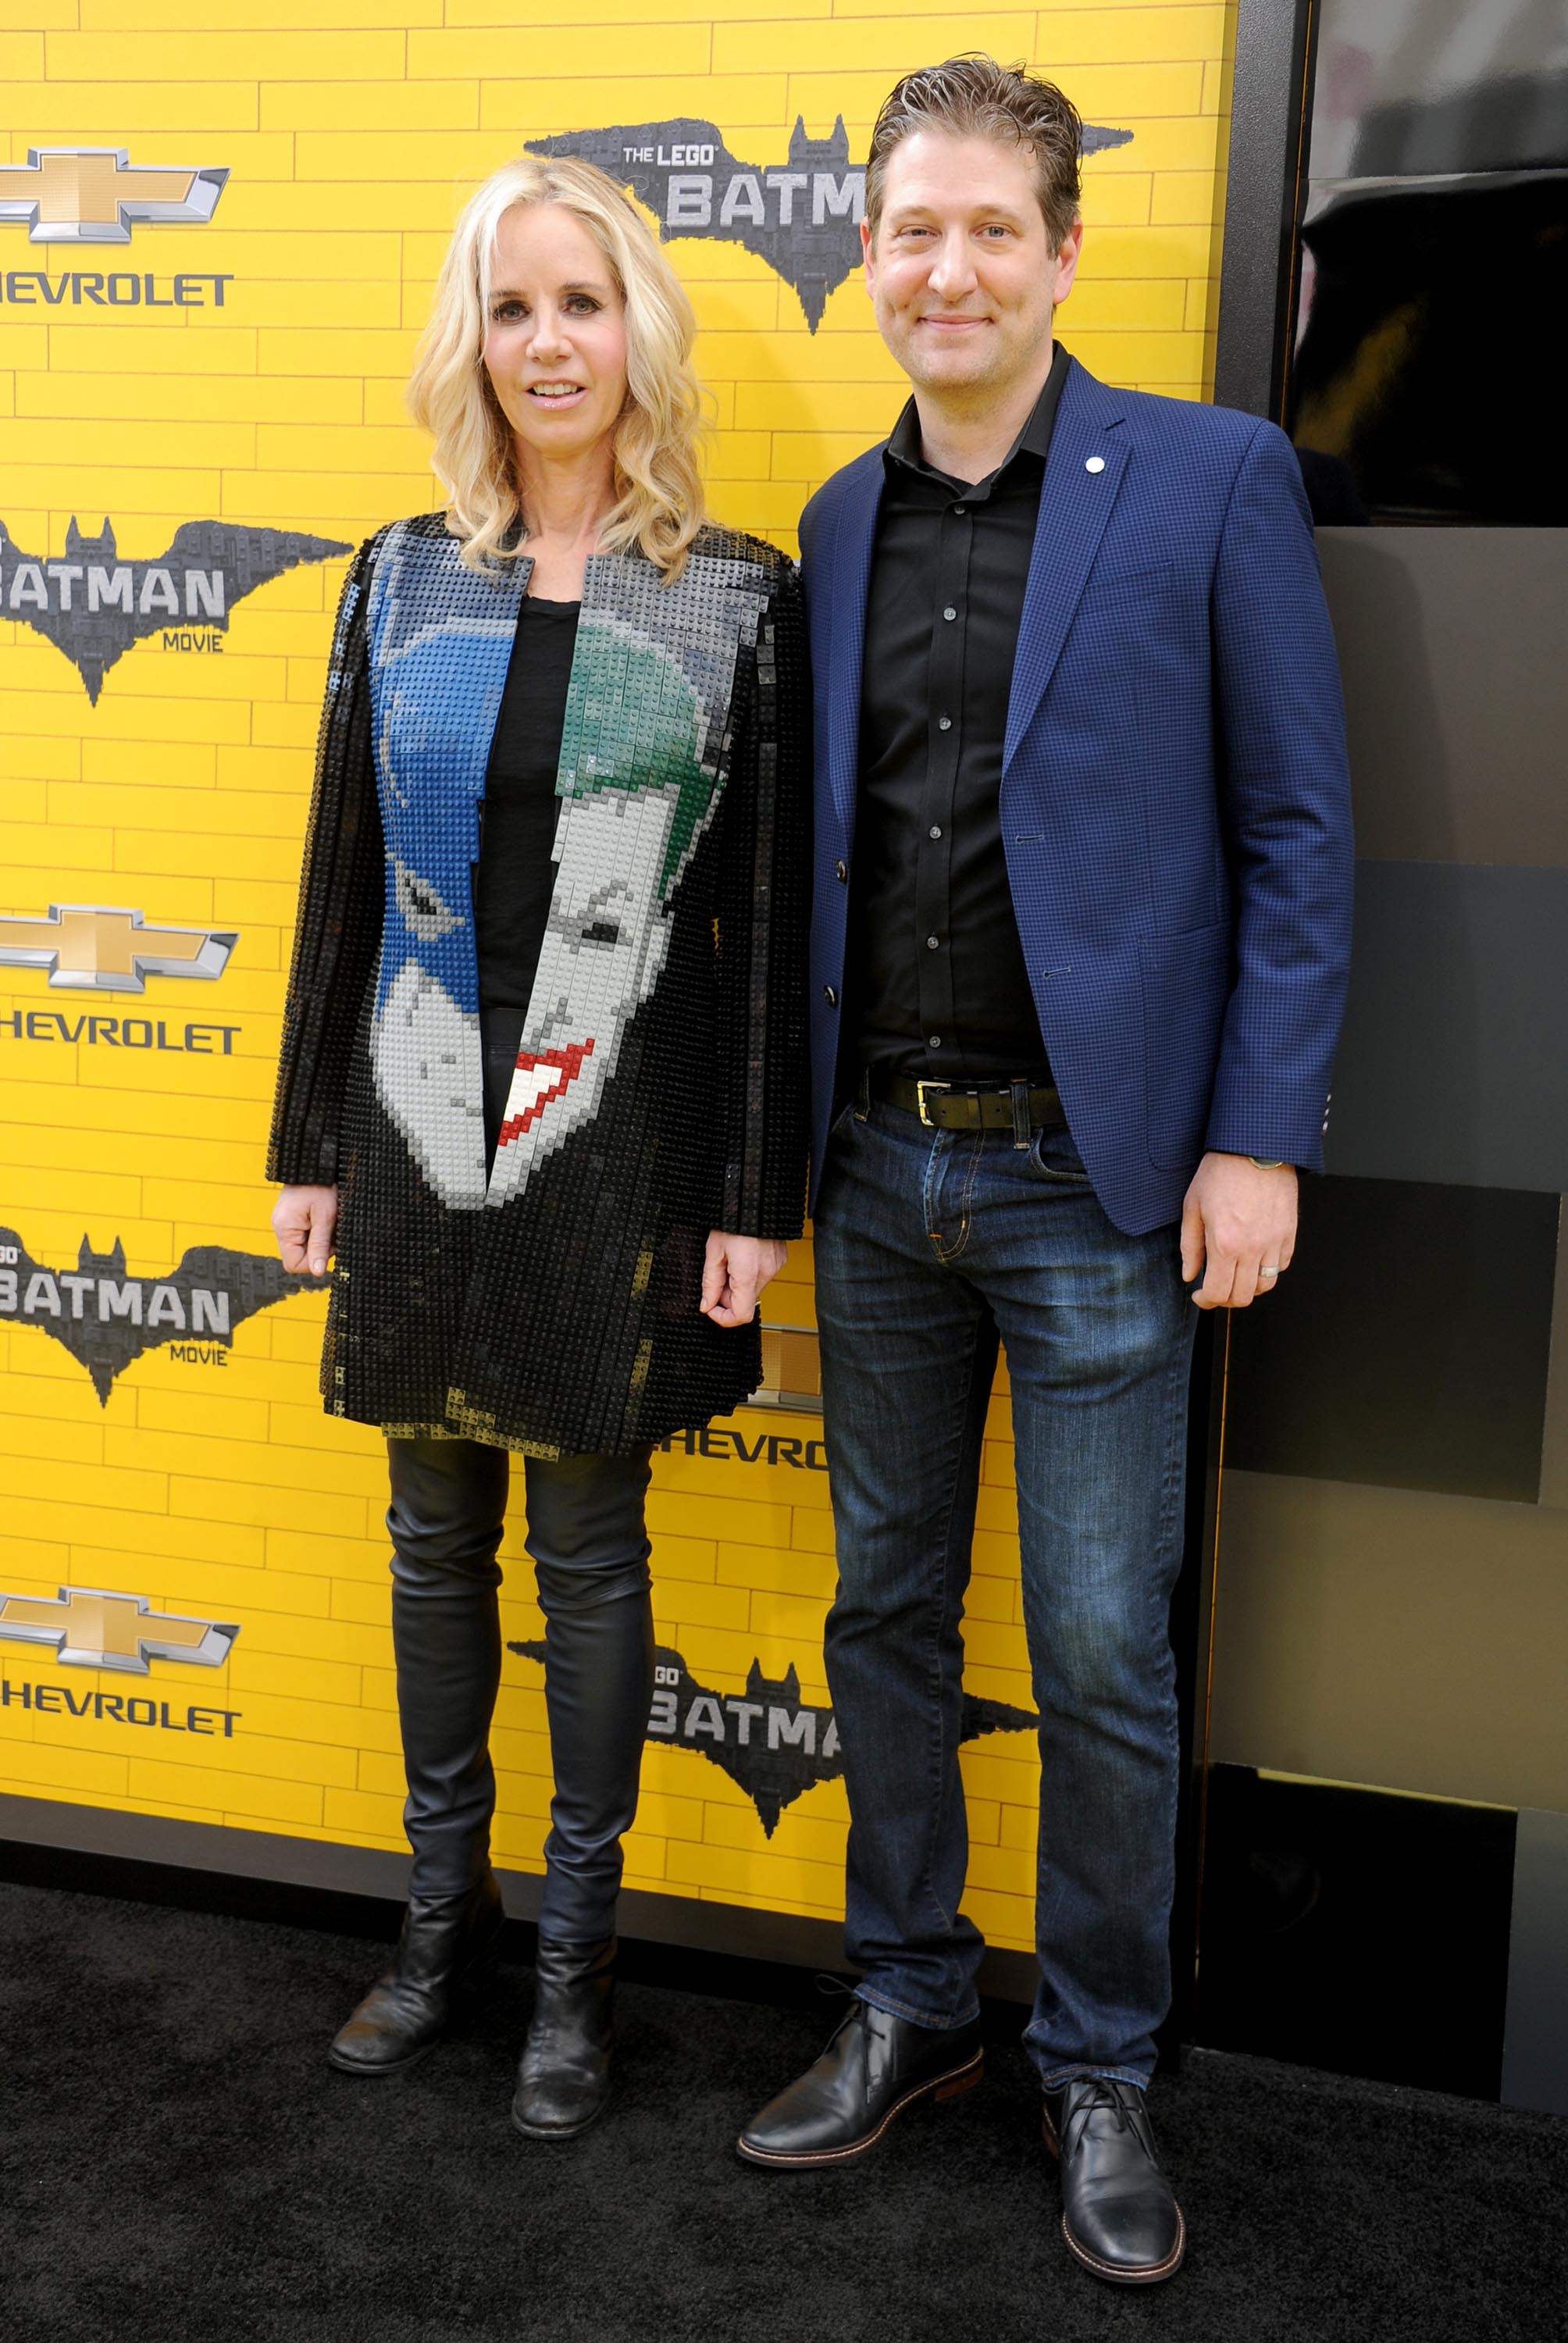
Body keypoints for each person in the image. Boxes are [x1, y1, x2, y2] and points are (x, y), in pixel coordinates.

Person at [736, 58, 1353, 2286]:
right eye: (912, 228)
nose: (950, 267)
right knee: (883, 1612)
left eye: (992, 227)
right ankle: (909, 1998)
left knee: (1096, 1649)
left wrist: (1257, 1134)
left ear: (1065, 251)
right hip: (873, 1175)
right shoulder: (830, 523)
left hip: (1103, 1189)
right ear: (866, 253)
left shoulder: (1209, 478)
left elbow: (1294, 830)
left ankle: (1099, 2059)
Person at [268, 152, 807, 2141]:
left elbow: (762, 925)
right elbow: (341, 872)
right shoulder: (396, 576)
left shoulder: (738, 592)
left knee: (585, 1555)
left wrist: (750, 1192)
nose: (547, 342)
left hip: (619, 1137)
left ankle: (574, 1969)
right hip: (412, 1115)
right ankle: (439, 1934)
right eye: (512, 307)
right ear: (469, 341)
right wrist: (307, 1141)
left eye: (581, 302)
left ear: (636, 328)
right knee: (430, 1542)